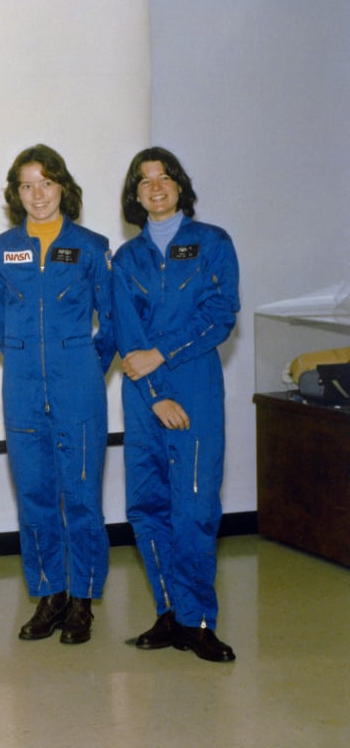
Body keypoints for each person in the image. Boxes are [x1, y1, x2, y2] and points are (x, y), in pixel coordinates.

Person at [0, 144, 115, 645]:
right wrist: (22, 358)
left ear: (63, 187)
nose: (37, 195)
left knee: (81, 497)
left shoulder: (90, 246)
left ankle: (82, 599)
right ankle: (50, 595)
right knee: (35, 497)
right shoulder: (2, 250)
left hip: (78, 385)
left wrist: (85, 364)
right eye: (26, 185)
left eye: (46, 183)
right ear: (15, 193)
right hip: (21, 387)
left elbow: (113, 321)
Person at [113, 147, 239, 663]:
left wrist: (163, 355)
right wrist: (154, 393)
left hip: (195, 387)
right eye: (145, 182)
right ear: (135, 196)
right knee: (148, 507)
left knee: (194, 508)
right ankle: (167, 613)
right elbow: (125, 332)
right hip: (144, 396)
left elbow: (220, 314)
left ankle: (197, 621)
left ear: (180, 186)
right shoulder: (126, 259)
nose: (156, 187)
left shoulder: (212, 244)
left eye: (164, 178)